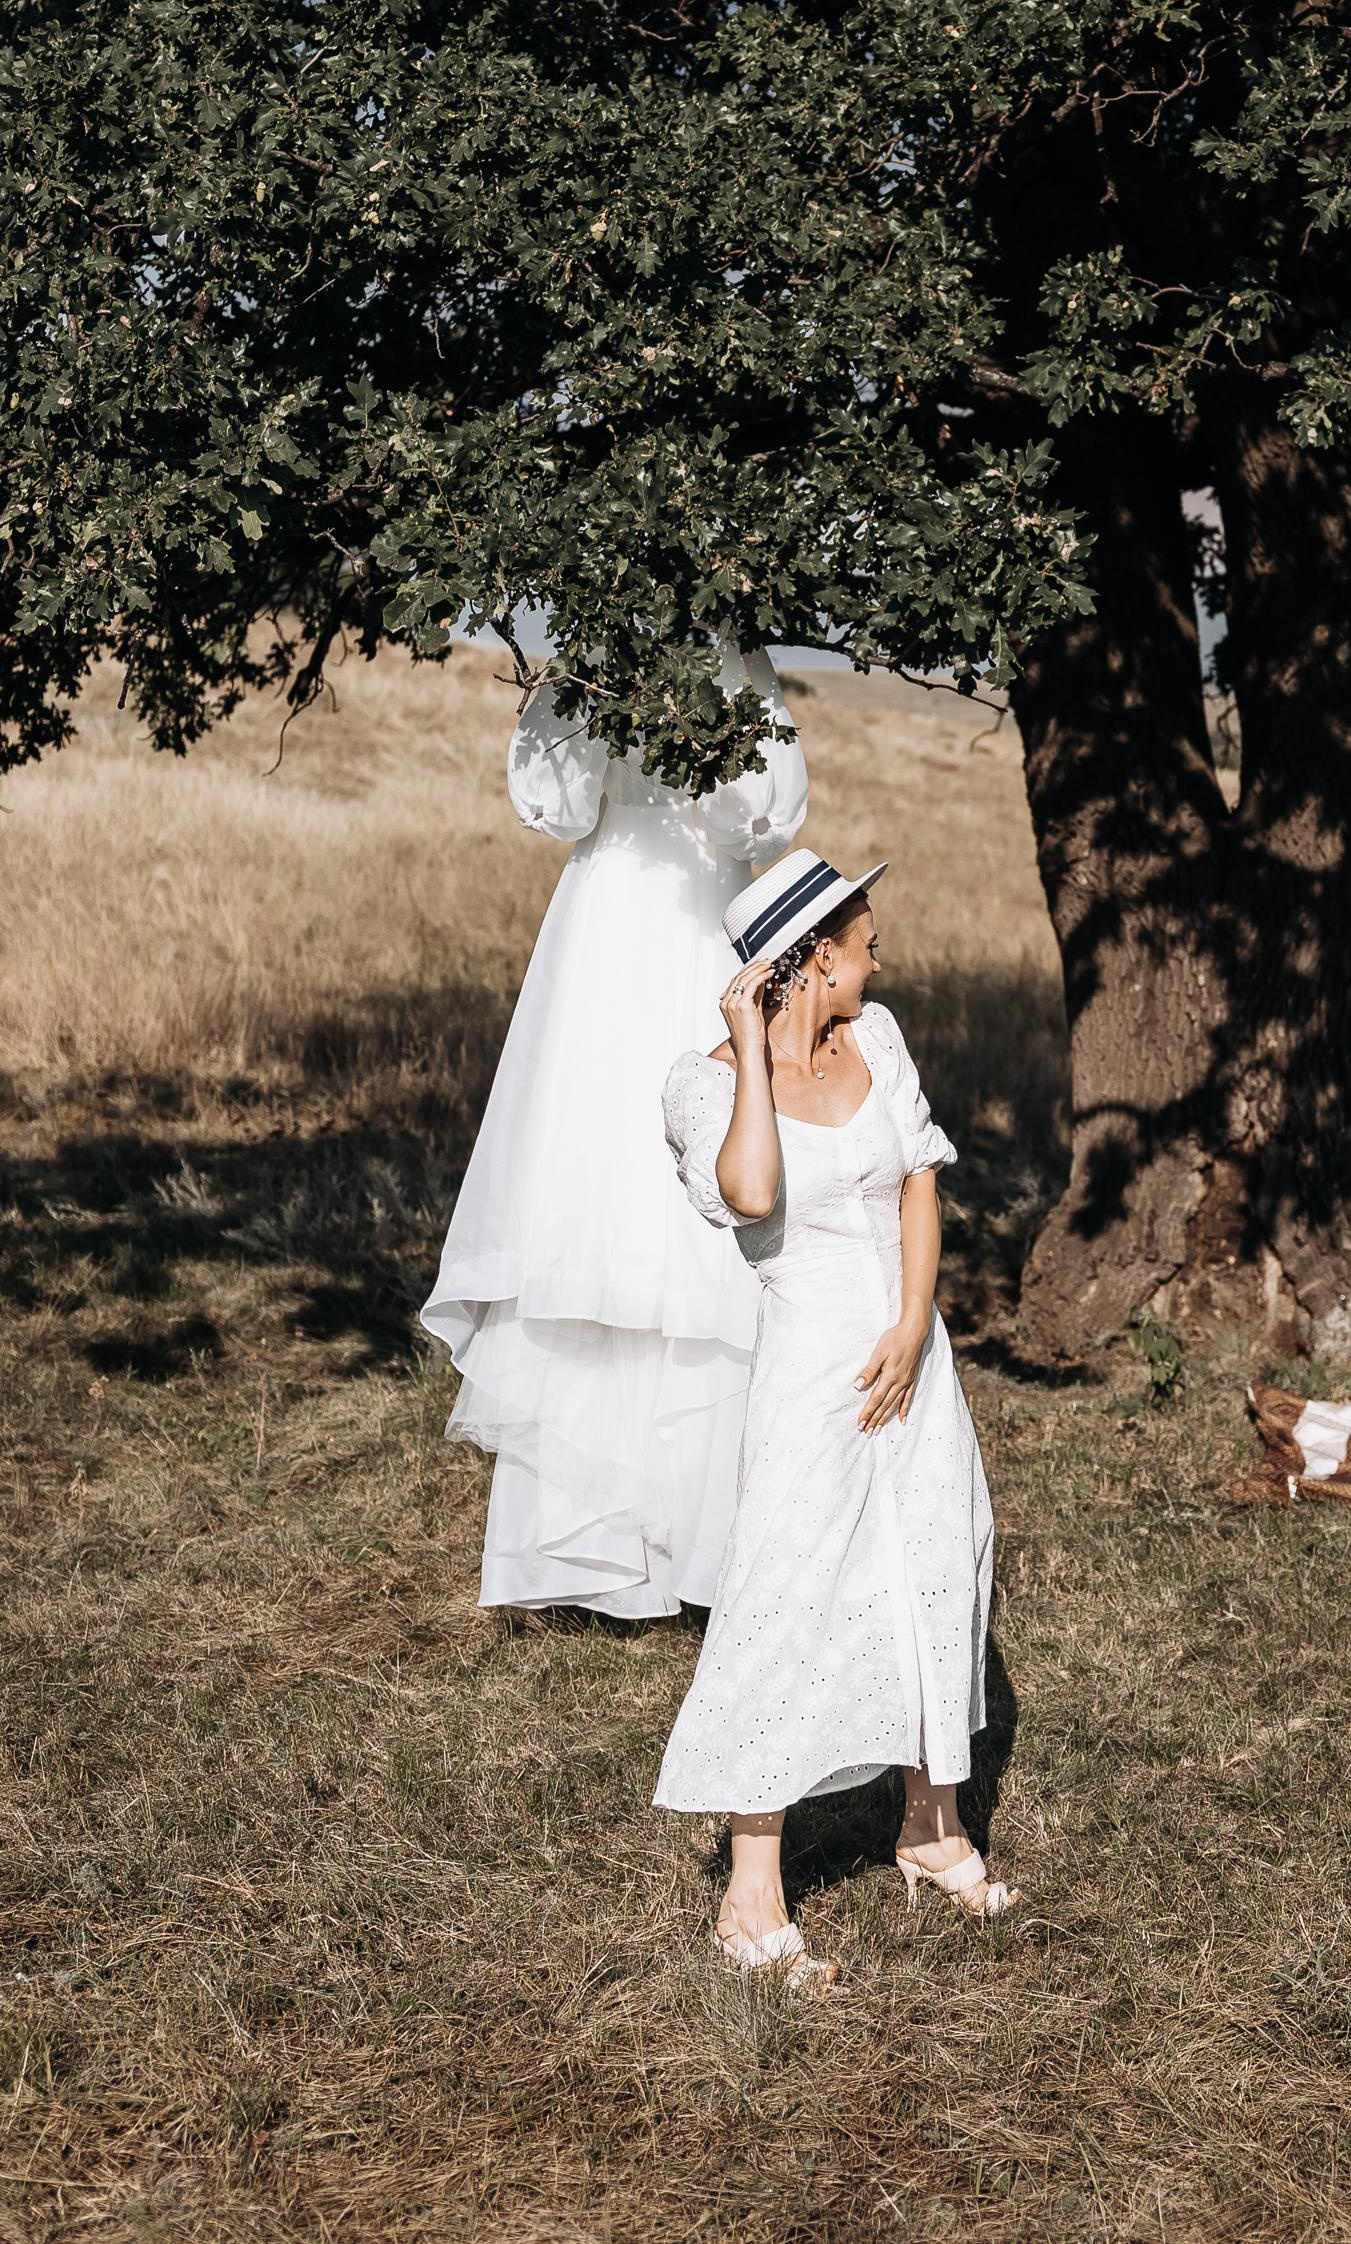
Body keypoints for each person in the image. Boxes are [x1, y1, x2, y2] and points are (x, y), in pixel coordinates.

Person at [654, 848, 1013, 1989]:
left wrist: (915, 1320)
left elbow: (915, 1174)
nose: (879, 954)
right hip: (813, 1367)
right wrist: (756, 1047)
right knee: (786, 1589)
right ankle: (749, 1897)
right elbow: (751, 1193)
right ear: (811, 957)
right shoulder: (701, 1084)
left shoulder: (881, 1037)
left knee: (933, 1556)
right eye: (862, 938)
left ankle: (930, 1824)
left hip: (911, 1352)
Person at [419, 647, 807, 1618]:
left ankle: (704, 1539)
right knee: (589, 1194)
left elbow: (763, 806)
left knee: (693, 1219)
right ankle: (583, 1544)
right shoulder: (594, 647)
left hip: (694, 919)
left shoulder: (728, 651)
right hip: (606, 926)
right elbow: (553, 799)